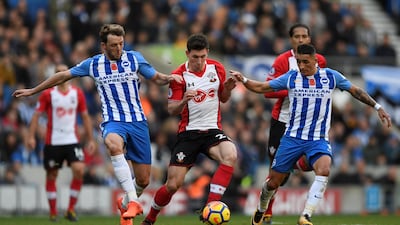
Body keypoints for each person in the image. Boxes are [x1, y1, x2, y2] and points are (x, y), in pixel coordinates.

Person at [13, 24, 182, 225]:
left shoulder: (134, 58)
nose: (119, 48)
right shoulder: (93, 65)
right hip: (113, 121)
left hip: (137, 122)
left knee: (144, 180)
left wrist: (171, 78)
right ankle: (135, 202)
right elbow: (64, 75)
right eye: (113, 45)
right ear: (103, 46)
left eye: (121, 44)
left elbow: (156, 77)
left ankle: (126, 201)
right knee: (113, 144)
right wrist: (34, 90)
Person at [230, 43, 392, 225]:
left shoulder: (330, 76)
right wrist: (244, 80)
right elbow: (262, 87)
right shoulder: (292, 77)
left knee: (324, 170)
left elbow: (356, 91)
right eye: (299, 62)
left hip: (318, 139)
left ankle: (305, 215)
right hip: (292, 138)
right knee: (273, 183)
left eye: (305, 62)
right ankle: (260, 210)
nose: (301, 66)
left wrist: (377, 107)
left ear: (316, 61)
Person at [140, 33, 238, 225]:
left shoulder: (217, 68)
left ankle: (210, 207)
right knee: (172, 185)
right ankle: (150, 218)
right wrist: (184, 99)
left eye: (203, 56)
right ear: (187, 54)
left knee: (231, 154)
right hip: (189, 134)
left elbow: (223, 98)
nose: (200, 61)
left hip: (211, 130)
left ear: (207, 53)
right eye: (195, 57)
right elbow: (171, 109)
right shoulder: (178, 76)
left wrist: (227, 88)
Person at [262, 23, 327, 224]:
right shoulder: (283, 61)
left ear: (309, 38)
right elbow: (268, 90)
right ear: (291, 39)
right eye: (296, 36)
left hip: (308, 124)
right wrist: (293, 88)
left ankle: (297, 164)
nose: (300, 39)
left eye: (304, 36)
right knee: (276, 174)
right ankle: (266, 214)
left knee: (316, 163)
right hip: (282, 121)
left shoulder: (320, 61)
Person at [26, 64, 96, 222]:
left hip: (72, 140)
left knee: (79, 169)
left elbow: (85, 117)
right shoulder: (48, 94)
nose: (61, 75)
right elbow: (36, 115)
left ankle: (70, 210)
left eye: (63, 72)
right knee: (52, 174)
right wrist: (31, 136)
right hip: (53, 141)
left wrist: (91, 139)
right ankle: (52, 211)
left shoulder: (77, 93)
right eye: (57, 72)